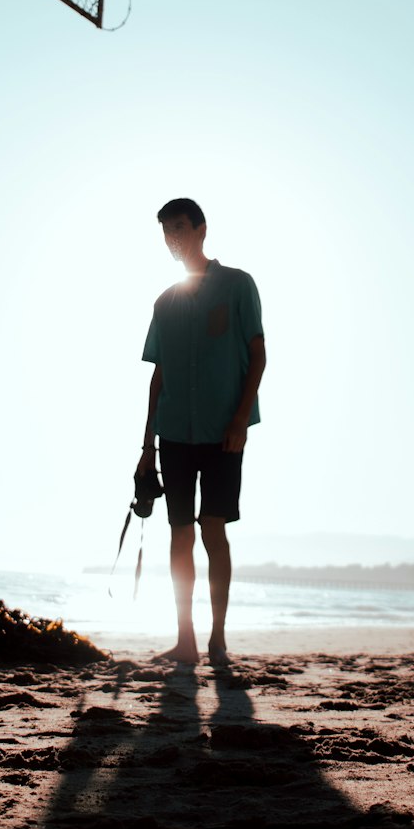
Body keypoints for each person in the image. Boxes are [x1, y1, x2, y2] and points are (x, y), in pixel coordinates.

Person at [137, 198, 266, 665]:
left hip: (222, 432)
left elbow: (258, 356)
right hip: (173, 432)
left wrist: (240, 419)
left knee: (213, 530)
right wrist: (145, 448)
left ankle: (218, 638)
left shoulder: (237, 285)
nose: (173, 237)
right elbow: (158, 376)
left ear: (201, 229)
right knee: (179, 534)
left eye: (180, 228)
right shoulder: (165, 301)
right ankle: (185, 640)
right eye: (166, 231)